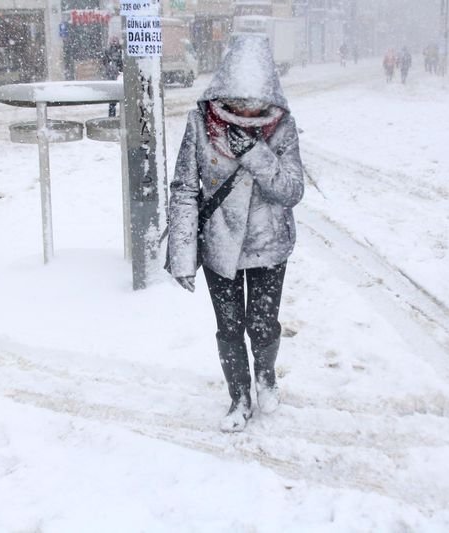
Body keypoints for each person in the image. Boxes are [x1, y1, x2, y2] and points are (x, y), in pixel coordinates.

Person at [166, 34, 304, 433]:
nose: (247, 108)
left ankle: (265, 377)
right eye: (239, 98)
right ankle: (239, 397)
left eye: (255, 99)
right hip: (219, 248)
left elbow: (291, 190)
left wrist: (255, 154)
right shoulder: (200, 123)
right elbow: (186, 189)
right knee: (229, 328)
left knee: (262, 325)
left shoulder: (282, 128)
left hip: (268, 245)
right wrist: (182, 255)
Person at [103, 38, 123, 116]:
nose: (114, 43)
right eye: (113, 41)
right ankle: (112, 115)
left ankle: (113, 115)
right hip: (113, 76)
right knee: (113, 100)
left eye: (115, 41)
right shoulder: (108, 51)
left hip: (117, 76)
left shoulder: (118, 51)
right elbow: (105, 62)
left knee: (114, 99)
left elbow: (105, 62)